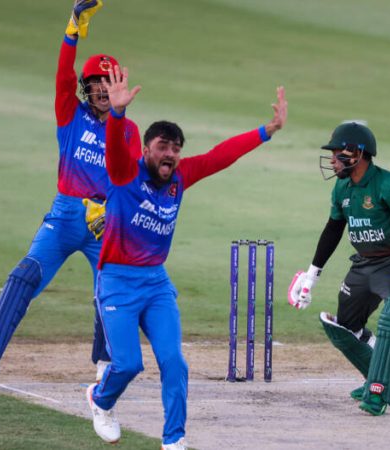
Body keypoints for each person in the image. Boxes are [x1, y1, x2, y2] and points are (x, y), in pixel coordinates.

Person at [83, 67, 286, 449]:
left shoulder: (180, 177)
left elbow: (221, 156)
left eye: (176, 148)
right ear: (146, 149)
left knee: (174, 363)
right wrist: (118, 114)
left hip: (156, 284)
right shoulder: (125, 173)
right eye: (163, 146)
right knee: (127, 365)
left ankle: (174, 439)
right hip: (117, 282)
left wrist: (267, 130)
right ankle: (100, 399)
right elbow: (113, 147)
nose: (171, 154)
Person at [0, 0, 139, 379]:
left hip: (105, 223)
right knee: (25, 274)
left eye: (109, 84)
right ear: (86, 88)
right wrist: (72, 29)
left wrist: (110, 210)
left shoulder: (127, 130)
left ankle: (106, 364)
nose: (103, 91)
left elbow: (131, 182)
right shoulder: (69, 114)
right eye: (96, 85)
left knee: (111, 291)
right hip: (63, 216)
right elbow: (62, 72)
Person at [287, 121, 390, 416]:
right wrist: (311, 276)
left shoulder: (389, 184)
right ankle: (384, 373)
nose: (332, 160)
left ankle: (378, 390)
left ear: (357, 153)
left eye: (337, 153)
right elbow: (332, 230)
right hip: (364, 265)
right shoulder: (342, 188)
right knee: (340, 326)